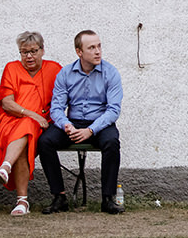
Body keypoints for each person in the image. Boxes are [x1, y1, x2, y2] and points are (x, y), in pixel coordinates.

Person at [39, 29, 125, 214]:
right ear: (79, 52)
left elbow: (113, 110)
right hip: (73, 122)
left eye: (99, 46)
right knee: (45, 141)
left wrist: (91, 130)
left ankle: (108, 199)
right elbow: (56, 108)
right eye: (91, 47)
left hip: (100, 123)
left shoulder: (110, 73)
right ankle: (59, 197)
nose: (98, 51)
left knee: (111, 142)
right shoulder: (66, 73)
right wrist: (66, 125)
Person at [0, 31, 59, 217]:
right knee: (25, 129)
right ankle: (20, 198)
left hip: (41, 125)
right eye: (24, 52)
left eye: (33, 51)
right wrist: (33, 115)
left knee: (27, 131)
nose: (29, 56)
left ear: (42, 50)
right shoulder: (11, 68)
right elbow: (7, 103)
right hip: (9, 121)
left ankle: (9, 175)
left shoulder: (55, 69)